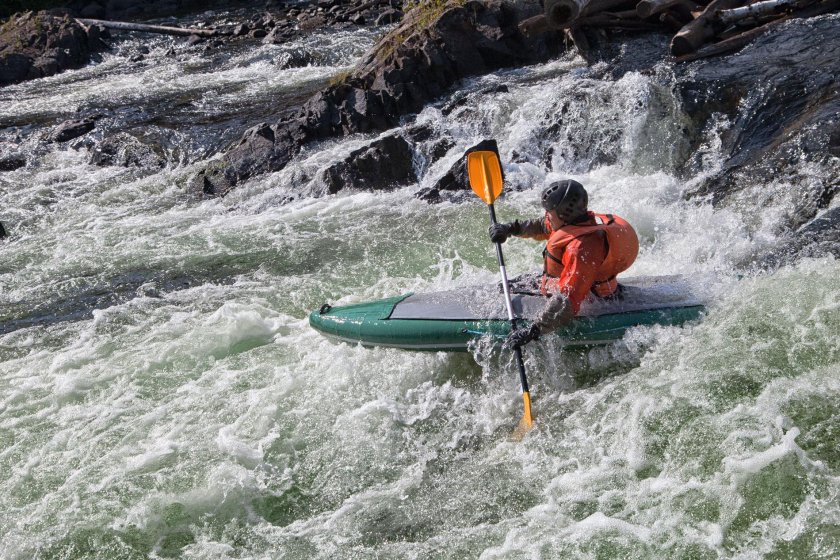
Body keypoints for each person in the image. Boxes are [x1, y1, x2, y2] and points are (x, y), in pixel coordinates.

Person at [489, 179, 639, 348]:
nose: (546, 215)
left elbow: (567, 301)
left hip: (594, 298)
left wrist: (533, 331)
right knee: (505, 287)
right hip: (567, 285)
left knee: (509, 290)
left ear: (563, 214)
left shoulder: (582, 249)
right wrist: (509, 228)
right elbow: (541, 226)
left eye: (549, 212)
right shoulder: (572, 220)